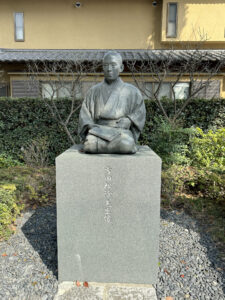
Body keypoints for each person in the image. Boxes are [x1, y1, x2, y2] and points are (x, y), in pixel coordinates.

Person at [78, 51, 146, 154]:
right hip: (98, 131)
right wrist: (90, 125)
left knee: (126, 144)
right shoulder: (94, 91)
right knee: (89, 145)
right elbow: (85, 114)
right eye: (106, 65)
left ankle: (108, 146)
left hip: (121, 131)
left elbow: (140, 112)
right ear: (103, 68)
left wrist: (129, 120)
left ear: (121, 68)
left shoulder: (132, 91)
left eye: (113, 65)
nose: (109, 69)